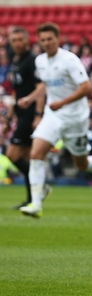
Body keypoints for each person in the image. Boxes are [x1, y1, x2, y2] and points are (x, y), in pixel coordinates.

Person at [17, 23, 92, 218]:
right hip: (52, 115)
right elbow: (46, 86)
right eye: (43, 40)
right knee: (36, 153)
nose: (46, 43)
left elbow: (86, 87)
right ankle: (36, 204)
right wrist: (30, 98)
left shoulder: (69, 60)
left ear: (58, 38)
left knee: (82, 163)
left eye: (50, 39)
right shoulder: (40, 61)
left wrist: (62, 102)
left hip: (75, 118)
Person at [7, 27, 47, 209]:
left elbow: (41, 88)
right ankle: (33, 198)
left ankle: (41, 187)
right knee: (27, 158)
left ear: (27, 40)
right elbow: (17, 91)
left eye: (20, 40)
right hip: (21, 114)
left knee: (12, 155)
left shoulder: (32, 61)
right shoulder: (17, 62)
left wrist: (38, 115)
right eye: (14, 40)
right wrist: (10, 116)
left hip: (30, 115)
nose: (17, 43)